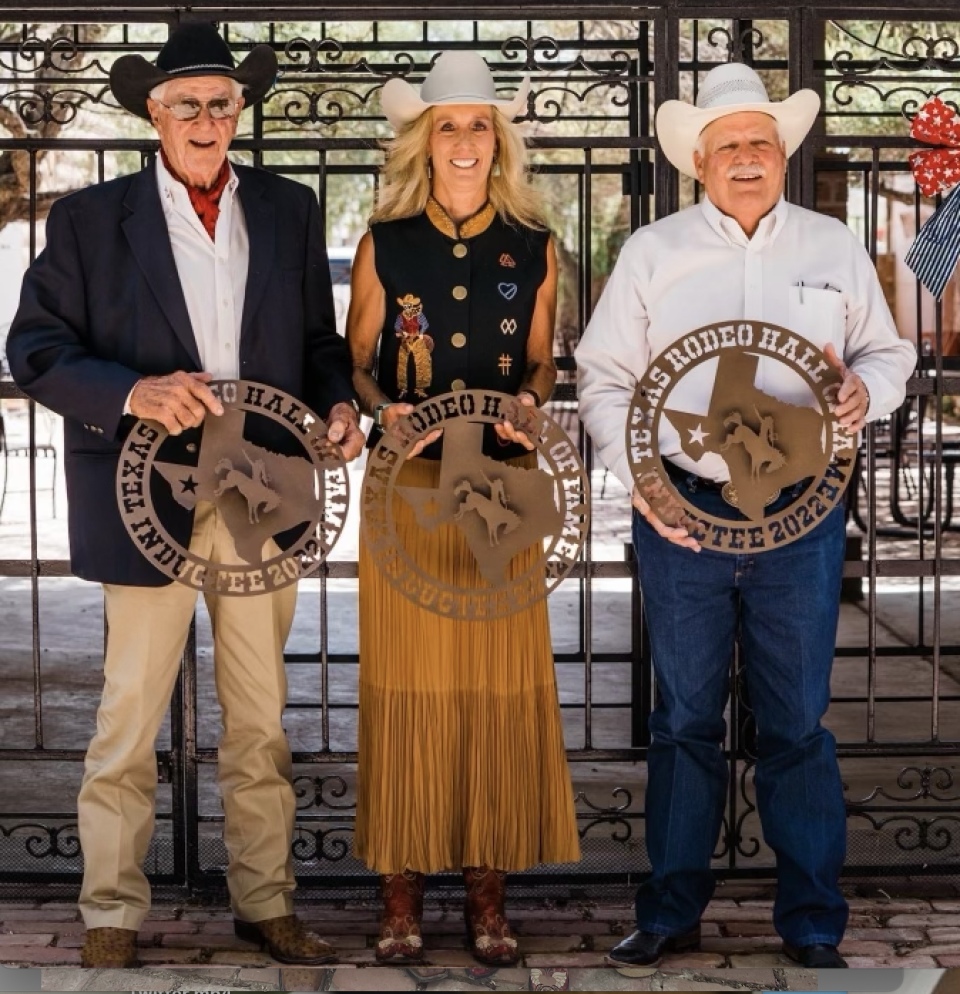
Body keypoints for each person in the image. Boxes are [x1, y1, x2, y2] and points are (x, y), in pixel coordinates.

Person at [5, 22, 363, 969]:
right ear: (153, 115)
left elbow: (321, 343)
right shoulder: (89, 221)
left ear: (239, 112)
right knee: (128, 714)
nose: (207, 119)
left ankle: (266, 901)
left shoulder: (287, 210)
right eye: (188, 104)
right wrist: (134, 393)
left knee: (259, 713)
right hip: (145, 487)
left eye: (222, 102)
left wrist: (337, 401)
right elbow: (34, 351)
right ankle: (111, 914)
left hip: (262, 487)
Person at [575, 62, 916, 970]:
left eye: (760, 142)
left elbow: (888, 353)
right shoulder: (653, 252)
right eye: (728, 146)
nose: (747, 158)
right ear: (700, 161)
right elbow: (603, 377)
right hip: (680, 511)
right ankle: (670, 910)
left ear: (782, 154)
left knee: (796, 722)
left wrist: (864, 392)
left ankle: (811, 923)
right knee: (684, 717)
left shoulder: (832, 246)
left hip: (801, 514)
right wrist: (639, 473)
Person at [346, 51, 580, 966]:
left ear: (499, 140)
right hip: (406, 486)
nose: (466, 139)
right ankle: (399, 888)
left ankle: (489, 891)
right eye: (449, 123)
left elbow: (540, 360)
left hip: (501, 487)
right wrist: (379, 411)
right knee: (407, 684)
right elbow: (357, 361)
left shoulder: (535, 244)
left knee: (495, 681)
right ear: (424, 139)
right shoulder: (383, 241)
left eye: (480, 123)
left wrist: (533, 402)